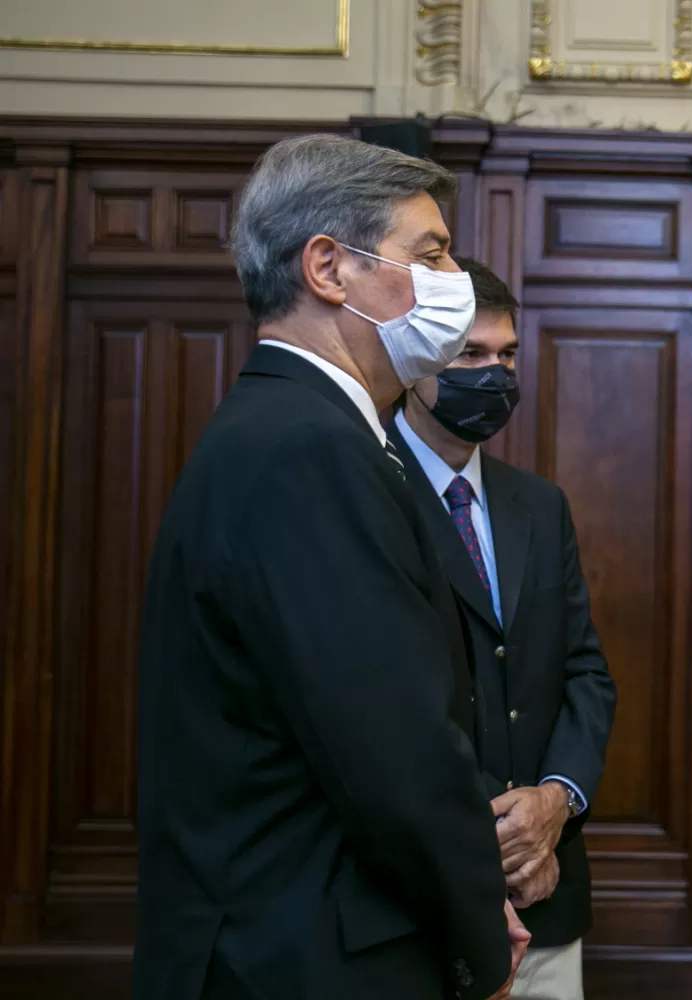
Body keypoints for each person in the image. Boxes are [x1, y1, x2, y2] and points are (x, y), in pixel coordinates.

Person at [136, 135, 528, 1000]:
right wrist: (478, 928)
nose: (452, 278)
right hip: (302, 955)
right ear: (327, 267)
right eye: (428, 253)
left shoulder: (301, 429)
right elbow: (390, 746)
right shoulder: (309, 447)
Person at [387, 256, 616, 1000]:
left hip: (551, 890)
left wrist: (555, 802)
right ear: (418, 358)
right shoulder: (364, 488)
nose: (495, 373)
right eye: (470, 355)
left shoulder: (538, 505)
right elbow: (379, 698)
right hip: (417, 900)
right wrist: (506, 838)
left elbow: (584, 671)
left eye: (507, 355)